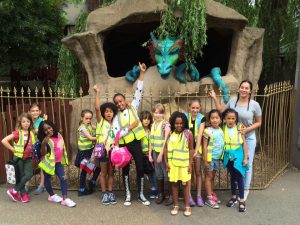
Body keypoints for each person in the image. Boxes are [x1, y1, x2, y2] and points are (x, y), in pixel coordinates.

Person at [209, 80, 262, 200]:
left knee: (247, 162)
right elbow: (221, 111)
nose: (244, 90)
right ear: (239, 89)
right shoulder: (233, 101)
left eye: (246, 88)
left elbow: (259, 122)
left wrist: (246, 130)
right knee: (235, 164)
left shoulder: (254, 105)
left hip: (248, 137)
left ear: (250, 91)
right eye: (242, 87)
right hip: (234, 139)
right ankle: (237, 187)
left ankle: (245, 188)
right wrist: (215, 98)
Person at [112, 62, 150, 206]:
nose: (119, 104)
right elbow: (116, 133)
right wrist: (129, 127)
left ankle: (140, 194)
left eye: (120, 101)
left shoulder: (133, 107)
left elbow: (139, 90)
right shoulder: (116, 117)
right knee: (126, 170)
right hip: (124, 145)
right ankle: (128, 194)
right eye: (116, 103)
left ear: (124, 100)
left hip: (136, 143)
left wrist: (142, 72)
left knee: (140, 167)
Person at [38, 120, 76, 207]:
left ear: (53, 126)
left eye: (49, 128)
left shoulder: (58, 135)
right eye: (45, 130)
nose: (48, 130)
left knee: (63, 178)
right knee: (47, 179)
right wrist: (43, 144)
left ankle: (65, 199)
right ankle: (51, 195)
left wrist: (58, 130)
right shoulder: (45, 140)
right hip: (48, 164)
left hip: (58, 163)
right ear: (43, 132)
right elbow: (43, 153)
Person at [2, 113, 36, 203]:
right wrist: (12, 149)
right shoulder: (17, 133)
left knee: (29, 174)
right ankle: (23, 194)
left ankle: (14, 191)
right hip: (19, 158)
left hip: (28, 158)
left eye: (28, 121)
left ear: (30, 123)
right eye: (24, 121)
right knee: (20, 177)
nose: (26, 123)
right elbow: (4, 140)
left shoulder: (32, 133)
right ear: (20, 123)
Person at [93, 85, 118, 205]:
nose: (108, 113)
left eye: (111, 111)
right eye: (106, 111)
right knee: (103, 173)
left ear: (114, 113)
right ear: (103, 113)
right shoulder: (101, 122)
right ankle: (104, 194)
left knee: (111, 173)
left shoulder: (116, 123)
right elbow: (97, 108)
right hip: (103, 151)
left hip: (113, 152)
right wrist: (97, 93)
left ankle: (110, 192)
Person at [165, 111, 194, 216]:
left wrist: (190, 164)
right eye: (176, 123)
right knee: (174, 184)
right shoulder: (170, 134)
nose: (179, 125)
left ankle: (187, 206)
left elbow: (191, 150)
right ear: (173, 123)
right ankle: (176, 205)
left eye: (181, 123)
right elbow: (166, 149)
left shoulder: (188, 133)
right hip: (173, 165)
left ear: (184, 123)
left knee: (185, 185)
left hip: (184, 165)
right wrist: (167, 162)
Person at [222, 108, 248, 212]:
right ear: (224, 119)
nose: (231, 120)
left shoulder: (239, 127)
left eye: (233, 118)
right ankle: (234, 197)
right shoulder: (222, 128)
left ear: (236, 119)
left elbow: (244, 143)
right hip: (229, 156)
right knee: (232, 176)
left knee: (240, 177)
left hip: (238, 155)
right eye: (229, 118)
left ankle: (242, 200)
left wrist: (246, 157)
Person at [148, 103, 171, 204]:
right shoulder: (153, 125)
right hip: (155, 153)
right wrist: (150, 154)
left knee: (167, 174)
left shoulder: (166, 125)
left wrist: (161, 154)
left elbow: (166, 141)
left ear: (163, 114)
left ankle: (170, 195)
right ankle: (161, 194)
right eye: (155, 113)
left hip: (163, 154)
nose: (157, 115)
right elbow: (151, 141)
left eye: (159, 113)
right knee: (158, 174)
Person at [185, 99, 205, 207]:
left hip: (197, 149)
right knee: (188, 172)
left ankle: (198, 196)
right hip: (186, 149)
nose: (195, 110)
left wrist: (196, 150)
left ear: (200, 108)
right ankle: (188, 195)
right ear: (189, 107)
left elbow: (200, 134)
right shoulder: (185, 116)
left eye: (197, 108)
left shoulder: (202, 118)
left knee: (198, 172)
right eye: (193, 108)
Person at [202, 109, 224, 209]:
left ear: (220, 119)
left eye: (217, 118)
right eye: (212, 118)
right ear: (209, 120)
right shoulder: (207, 131)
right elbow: (204, 146)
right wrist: (206, 160)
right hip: (210, 159)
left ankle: (211, 193)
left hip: (217, 158)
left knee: (212, 176)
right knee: (208, 176)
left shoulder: (221, 130)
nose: (215, 120)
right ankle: (209, 198)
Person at [74, 109, 97, 196]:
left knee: (91, 167)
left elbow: (97, 127)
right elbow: (90, 138)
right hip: (83, 152)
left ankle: (91, 183)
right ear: (82, 118)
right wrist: (101, 137)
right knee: (84, 170)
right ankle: (81, 189)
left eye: (90, 118)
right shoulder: (82, 127)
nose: (88, 120)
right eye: (86, 118)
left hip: (89, 151)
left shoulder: (89, 125)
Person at [28, 103, 47, 195]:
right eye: (33, 111)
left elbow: (46, 132)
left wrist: (37, 131)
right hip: (29, 146)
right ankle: (26, 185)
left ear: (40, 112)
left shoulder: (43, 120)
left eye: (36, 110)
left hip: (40, 145)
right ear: (29, 112)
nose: (35, 112)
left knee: (42, 165)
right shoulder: (27, 121)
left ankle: (41, 185)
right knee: (28, 165)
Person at [139, 110, 158, 199]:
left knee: (153, 173)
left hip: (150, 154)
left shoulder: (151, 130)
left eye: (148, 119)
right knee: (147, 173)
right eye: (144, 119)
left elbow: (151, 143)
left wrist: (150, 154)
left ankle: (155, 189)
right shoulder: (139, 131)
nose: (146, 121)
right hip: (142, 155)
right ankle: (151, 188)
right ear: (141, 120)